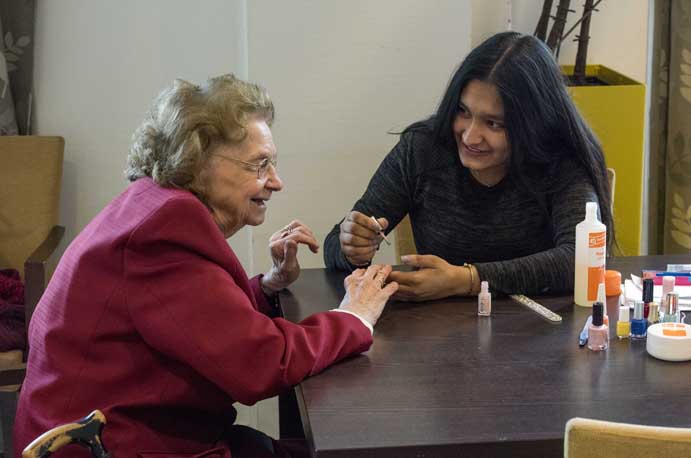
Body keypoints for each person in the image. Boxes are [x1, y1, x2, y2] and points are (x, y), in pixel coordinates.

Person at [14, 74, 398, 458]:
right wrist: (353, 317)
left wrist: (267, 286)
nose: (276, 182)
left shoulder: (152, 203)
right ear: (199, 163)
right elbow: (262, 363)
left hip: (106, 435)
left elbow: (188, 319)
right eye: (260, 165)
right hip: (110, 446)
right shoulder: (166, 231)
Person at [324, 31, 613, 301]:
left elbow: (582, 258)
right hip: (438, 336)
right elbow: (335, 246)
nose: (470, 136)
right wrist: (353, 248)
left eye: (493, 123)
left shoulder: (562, 159)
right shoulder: (423, 149)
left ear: (534, 125)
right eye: (463, 111)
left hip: (545, 336)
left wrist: (469, 279)